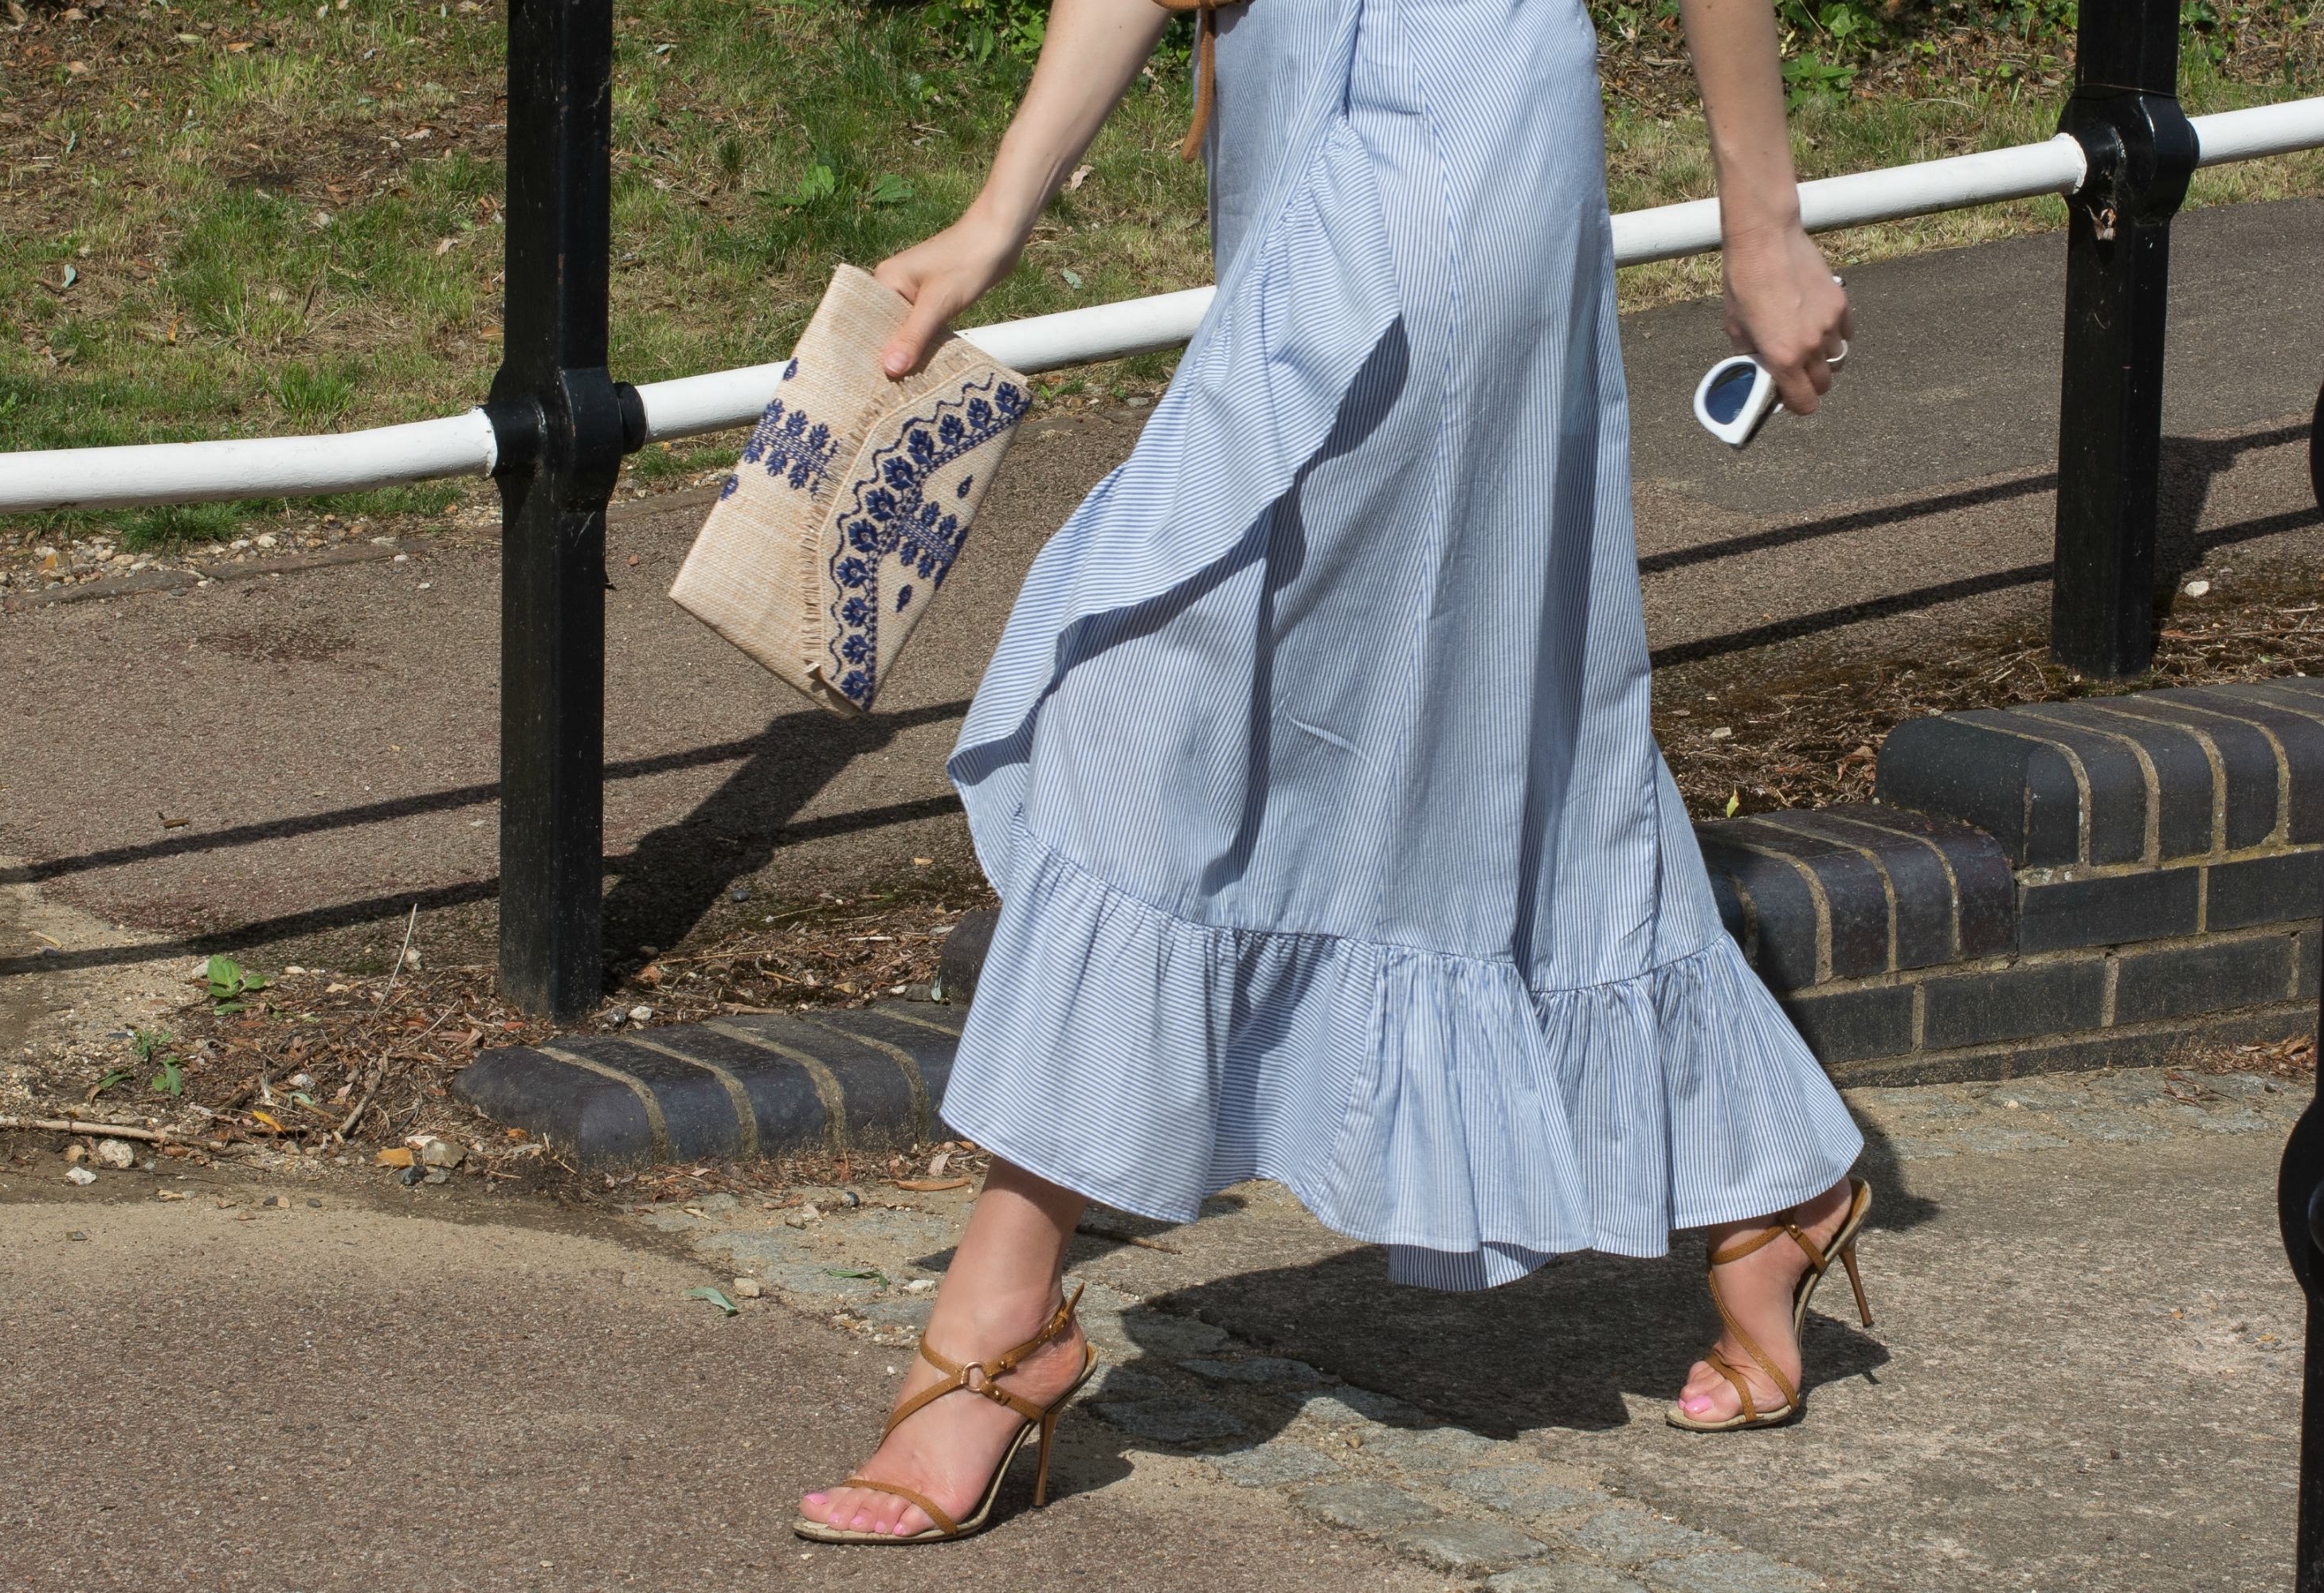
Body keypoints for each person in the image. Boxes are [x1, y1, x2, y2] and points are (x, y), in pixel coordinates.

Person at [797, 0, 1870, 1544]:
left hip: (1455, 138)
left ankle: (1006, 1297)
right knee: (1515, 699)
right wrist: (992, 220)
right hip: (1293, 127)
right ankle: (1763, 1178)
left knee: (1160, 682)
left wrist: (1760, 230)